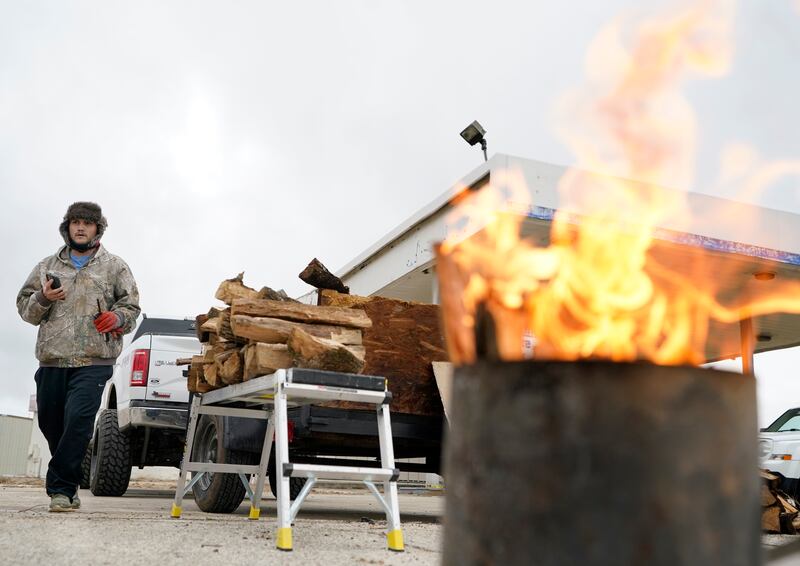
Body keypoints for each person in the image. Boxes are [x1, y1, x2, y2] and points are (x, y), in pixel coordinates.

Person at [16, 202, 140, 512]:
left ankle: (61, 489)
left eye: (87, 223)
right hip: (52, 359)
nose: (80, 228)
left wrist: (117, 319)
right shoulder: (47, 267)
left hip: (94, 361)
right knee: (51, 425)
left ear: (99, 228)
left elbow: (131, 308)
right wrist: (43, 297)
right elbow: (25, 310)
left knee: (78, 422)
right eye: (75, 222)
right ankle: (70, 480)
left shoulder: (115, 267)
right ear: (67, 227)